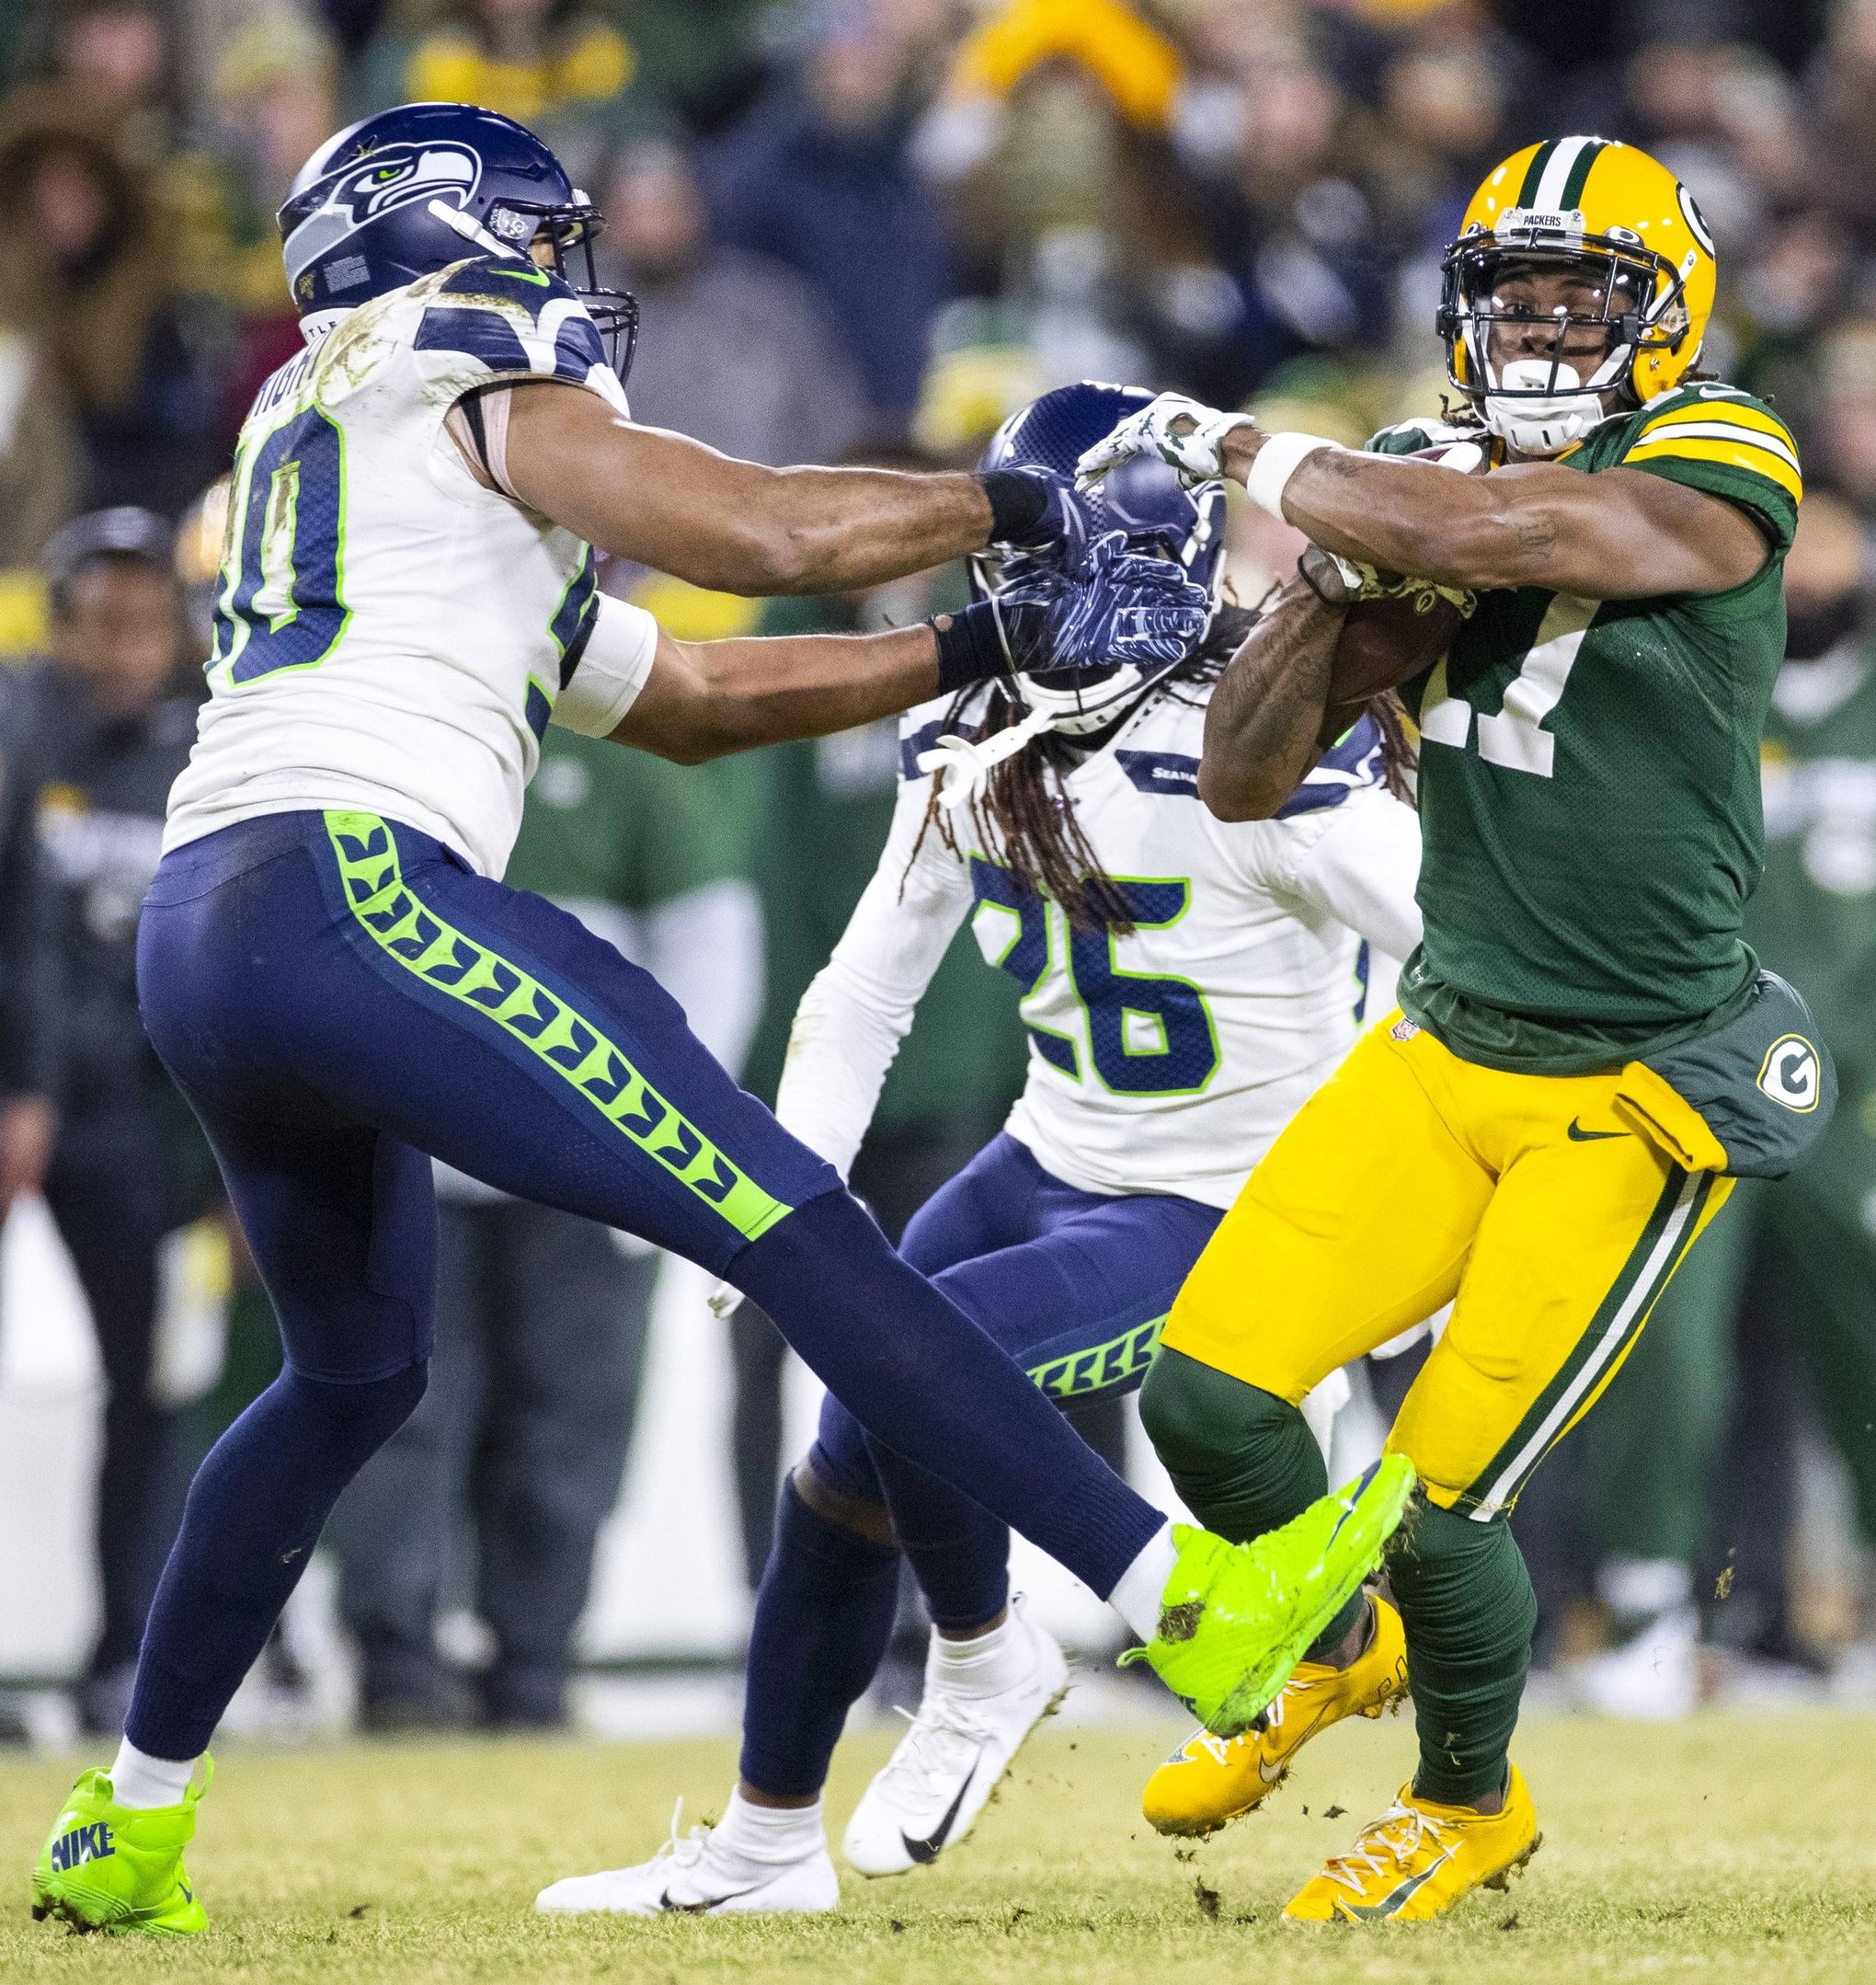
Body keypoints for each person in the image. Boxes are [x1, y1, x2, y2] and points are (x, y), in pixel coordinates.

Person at [29, 102, 1413, 1939]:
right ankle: (1180, 1590)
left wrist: (968, 647)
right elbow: (757, 525)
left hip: (217, 927)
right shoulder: (466, 354)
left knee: (352, 1370)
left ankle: (131, 1817)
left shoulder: (338, 425)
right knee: (795, 1215)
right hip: (353, 882)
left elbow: (677, 689)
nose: (560, 282)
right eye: (532, 242)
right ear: (448, 242)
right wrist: (1008, 504)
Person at [535, 383, 1424, 1916]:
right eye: (1019, 569)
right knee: (841, 1444)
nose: (1034, 608)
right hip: (1051, 1145)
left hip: (1220, 1194)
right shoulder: (976, 739)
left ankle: (980, 1656)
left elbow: (1466, 967)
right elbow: (865, 989)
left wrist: (1412, 1200)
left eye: (1065, 568)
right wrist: (785, 1207)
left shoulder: (1282, 773)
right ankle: (768, 1842)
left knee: (910, 1362)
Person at [1084, 134, 1825, 1919]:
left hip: (1636, 1076)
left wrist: (1246, 448)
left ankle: (1468, 1794)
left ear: (1669, 310)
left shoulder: (1719, 446)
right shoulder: (1406, 480)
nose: (1550, 330)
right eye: (1516, 296)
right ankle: (1339, 1649)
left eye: (1588, 296)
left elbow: (1531, 529)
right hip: (1448, 1039)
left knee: (1444, 1500)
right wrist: (1328, 588)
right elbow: (1253, 774)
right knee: (1210, 1396)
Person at [331, 737, 761, 1732]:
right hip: (414, 1154)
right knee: (400, 1411)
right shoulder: (402, 738)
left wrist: (668, 1140)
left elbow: (712, 946)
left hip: (583, 1165)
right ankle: (396, 1661)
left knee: (569, 1414)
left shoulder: (634, 759)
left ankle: (532, 1658)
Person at [1573, 489, 1876, 1710]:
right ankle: (1648, 1604)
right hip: (1697, 1084)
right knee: (1666, 1356)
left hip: (1852, 1100)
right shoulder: (1690, 685)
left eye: (1834, 553)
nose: (1807, 581)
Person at [16, 508, 215, 1737]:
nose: (131, 644)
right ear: (59, 625)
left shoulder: (208, 753)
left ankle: (124, 1655)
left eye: (152, 620)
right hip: (20, 1097)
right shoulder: (13, 724)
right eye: (107, 618)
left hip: (139, 1130)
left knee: (151, 1391)